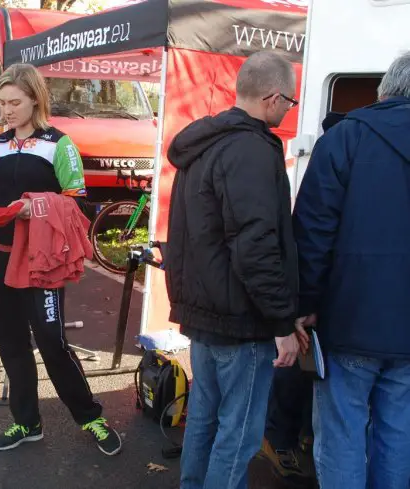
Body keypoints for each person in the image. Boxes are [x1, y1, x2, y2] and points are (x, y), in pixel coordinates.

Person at [164, 51, 307, 489]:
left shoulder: (206, 143)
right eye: (290, 102)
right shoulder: (252, 150)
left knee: (206, 418)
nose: (289, 111)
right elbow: (255, 246)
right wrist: (282, 321)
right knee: (239, 434)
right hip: (241, 322)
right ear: (272, 97)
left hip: (206, 314)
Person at [0, 63, 121, 456]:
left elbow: (79, 206)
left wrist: (34, 209)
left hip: (41, 260)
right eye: (1, 103)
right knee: (11, 342)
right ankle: (26, 422)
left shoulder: (60, 144)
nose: (6, 110)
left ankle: (90, 416)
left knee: (51, 341)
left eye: (14, 102)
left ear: (35, 99)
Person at [292, 52, 410, 489]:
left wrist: (303, 305)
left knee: (342, 432)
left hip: (349, 319)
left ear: (384, 92)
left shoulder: (345, 139)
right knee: (399, 433)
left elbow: (313, 232)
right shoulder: (346, 139)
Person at [257, 111, 345, 486]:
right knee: (296, 365)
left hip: (332, 288)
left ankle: (291, 437)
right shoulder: (341, 147)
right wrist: (299, 306)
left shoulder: (344, 147)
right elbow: (310, 228)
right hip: (319, 288)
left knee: (308, 368)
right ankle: (280, 439)